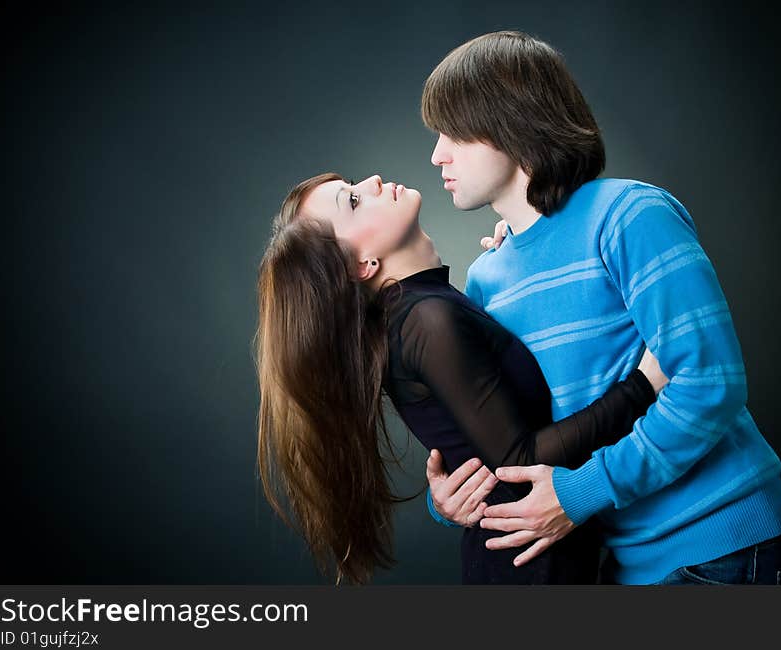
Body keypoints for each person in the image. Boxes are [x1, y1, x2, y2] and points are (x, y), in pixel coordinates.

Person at [421, 30, 781, 585]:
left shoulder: (629, 215)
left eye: (451, 130)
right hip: (618, 562)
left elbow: (709, 383)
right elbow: (513, 438)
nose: (437, 153)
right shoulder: (486, 278)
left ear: (511, 120)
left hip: (721, 546)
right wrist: (451, 499)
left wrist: (581, 493)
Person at [253, 171, 668, 585]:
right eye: (353, 201)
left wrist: (520, 252)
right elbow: (520, 460)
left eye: (353, 186)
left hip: (539, 555)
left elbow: (487, 437)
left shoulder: (425, 311)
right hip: (529, 567)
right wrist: (643, 386)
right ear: (363, 264)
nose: (373, 181)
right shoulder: (426, 321)